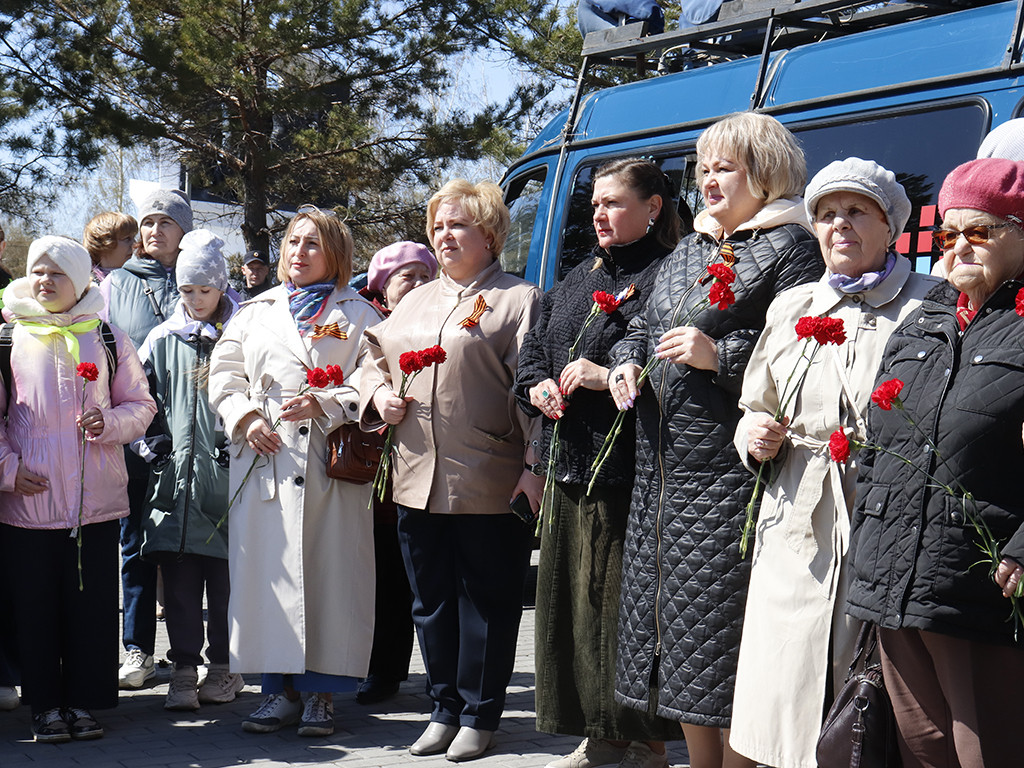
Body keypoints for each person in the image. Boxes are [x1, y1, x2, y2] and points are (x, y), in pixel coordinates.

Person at [607, 112, 824, 768]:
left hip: (728, 482)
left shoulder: (794, 248)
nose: (707, 179)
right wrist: (626, 359)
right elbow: (644, 327)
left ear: (764, 172)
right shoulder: (692, 249)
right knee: (679, 645)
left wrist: (718, 356)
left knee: (723, 644)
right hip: (662, 479)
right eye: (703, 167)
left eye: (723, 167)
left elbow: (803, 352)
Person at [727, 158, 939, 768]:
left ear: (890, 225)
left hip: (886, 508)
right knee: (785, 672)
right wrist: (754, 434)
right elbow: (752, 404)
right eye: (826, 214)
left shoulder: (929, 305)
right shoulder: (791, 306)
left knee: (866, 675)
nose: (839, 225)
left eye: (856, 212)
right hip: (796, 510)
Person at [845, 157, 1024, 767]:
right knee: (924, 748)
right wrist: (869, 541)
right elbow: (877, 440)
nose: (960, 247)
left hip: (985, 587)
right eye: (949, 234)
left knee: (989, 749)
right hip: (894, 578)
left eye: (981, 231)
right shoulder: (926, 319)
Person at [360, 179, 543, 762]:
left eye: (457, 225)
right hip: (416, 474)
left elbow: (536, 390)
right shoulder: (415, 298)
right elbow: (369, 356)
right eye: (437, 225)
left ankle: (480, 714)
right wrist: (377, 396)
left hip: (490, 473)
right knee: (430, 600)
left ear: (489, 234)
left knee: (484, 603)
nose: (443, 235)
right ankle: (442, 708)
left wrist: (534, 466)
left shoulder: (520, 299)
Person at [514, 158, 683, 768]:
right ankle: (598, 727)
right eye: (595, 206)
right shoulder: (578, 277)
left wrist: (603, 371)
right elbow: (533, 353)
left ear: (653, 208)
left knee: (624, 611)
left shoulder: (669, 272)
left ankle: (645, 739)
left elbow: (656, 353)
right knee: (573, 607)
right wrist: (536, 387)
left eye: (613, 203)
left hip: (630, 471)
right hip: (570, 467)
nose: (599, 215)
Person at [209, 205, 379, 738]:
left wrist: (328, 403)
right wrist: (245, 417)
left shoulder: (361, 314)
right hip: (267, 462)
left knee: (330, 579)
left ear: (335, 255)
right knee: (270, 578)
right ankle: (274, 692)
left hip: (330, 467)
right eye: (292, 242)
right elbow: (223, 375)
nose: (298, 252)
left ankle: (320, 696)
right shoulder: (254, 311)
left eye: (312, 244)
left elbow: (375, 380)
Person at [0, 237, 155, 742]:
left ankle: (84, 704)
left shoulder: (108, 337)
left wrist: (108, 422)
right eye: (37, 272)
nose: (45, 281)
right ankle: (44, 706)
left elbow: (142, 405)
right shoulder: (8, 340)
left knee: (88, 609)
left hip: (94, 503)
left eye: (57, 273)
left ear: (83, 278)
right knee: (36, 609)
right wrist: (7, 469)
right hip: (29, 504)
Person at [135, 229, 243, 712]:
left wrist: (237, 447)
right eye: (186, 290)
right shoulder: (161, 339)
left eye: (205, 289)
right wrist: (151, 448)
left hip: (227, 486)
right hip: (173, 486)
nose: (196, 299)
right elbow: (137, 400)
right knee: (178, 587)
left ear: (221, 286)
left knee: (225, 588)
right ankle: (182, 669)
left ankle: (224, 668)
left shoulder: (242, 332)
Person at [101, 188, 193, 690]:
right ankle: (137, 651)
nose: (154, 230)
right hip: (133, 435)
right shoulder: (114, 284)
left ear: (184, 231)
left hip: (190, 436)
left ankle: (197, 655)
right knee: (134, 542)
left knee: (193, 544)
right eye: (148, 222)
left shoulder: (203, 279)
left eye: (166, 222)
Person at [355, 240, 437, 706]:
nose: (419, 284)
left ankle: (439, 674)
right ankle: (383, 671)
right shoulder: (369, 326)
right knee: (385, 579)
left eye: (426, 276)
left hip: (430, 471)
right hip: (375, 478)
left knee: (427, 582)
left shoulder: (444, 324)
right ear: (382, 290)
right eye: (407, 277)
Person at [84, 211, 138, 285]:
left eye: (134, 238)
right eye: (127, 239)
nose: (135, 244)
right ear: (104, 243)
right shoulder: (85, 287)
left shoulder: (142, 281)